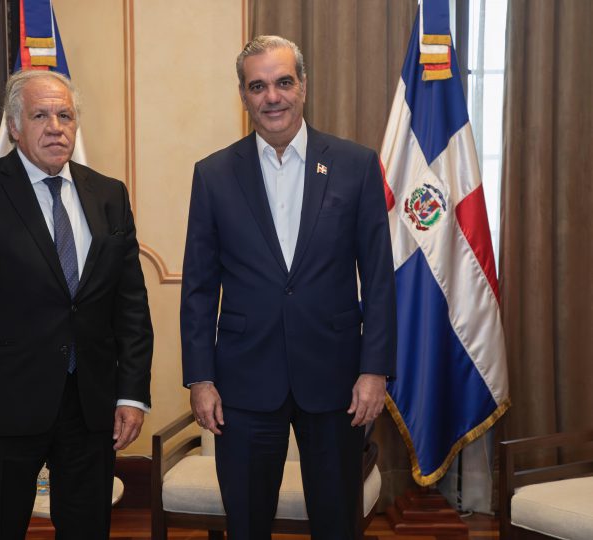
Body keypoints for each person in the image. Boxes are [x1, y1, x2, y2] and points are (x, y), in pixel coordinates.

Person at [180, 35, 397, 539]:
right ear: (243, 95)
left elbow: (380, 279)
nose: (271, 97)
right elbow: (198, 287)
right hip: (244, 381)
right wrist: (200, 377)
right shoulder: (213, 175)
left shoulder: (355, 165)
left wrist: (375, 369)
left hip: (336, 379)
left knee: (337, 521)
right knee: (248, 521)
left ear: (303, 86)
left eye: (283, 82)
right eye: (258, 86)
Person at [0, 69, 153, 539]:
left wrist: (131, 393)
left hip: (91, 407)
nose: (56, 126)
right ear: (14, 127)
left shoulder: (109, 194)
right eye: (40, 115)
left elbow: (130, 303)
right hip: (2, 413)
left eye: (65, 115)